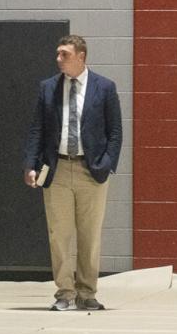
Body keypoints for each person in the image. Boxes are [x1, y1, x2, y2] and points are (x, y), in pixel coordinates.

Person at [23, 34, 123, 312]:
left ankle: (87, 292)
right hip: (56, 168)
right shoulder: (48, 88)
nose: (58, 59)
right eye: (58, 53)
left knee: (90, 235)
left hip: (91, 170)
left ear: (81, 56)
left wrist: (106, 164)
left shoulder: (104, 87)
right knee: (59, 234)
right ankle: (65, 292)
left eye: (64, 54)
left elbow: (115, 132)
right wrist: (30, 165)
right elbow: (37, 130)